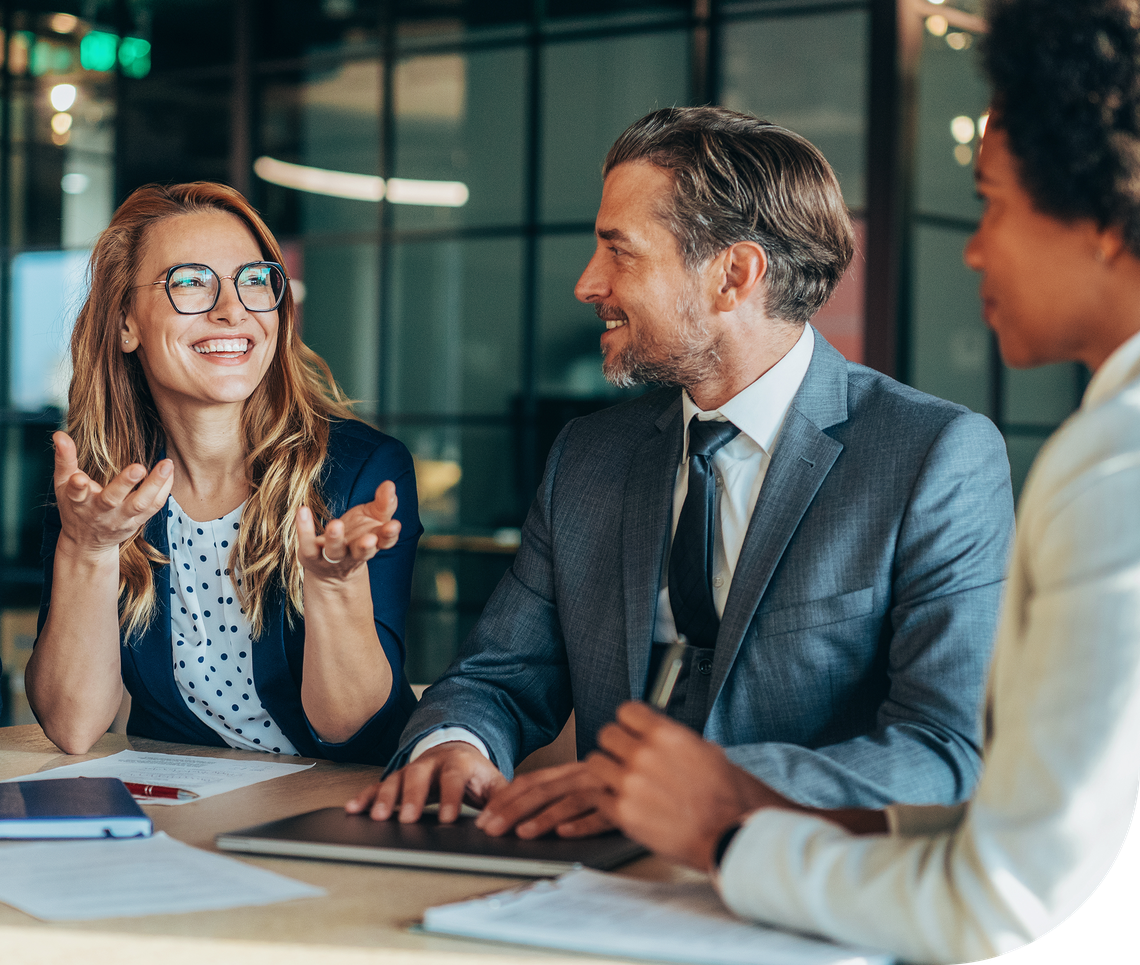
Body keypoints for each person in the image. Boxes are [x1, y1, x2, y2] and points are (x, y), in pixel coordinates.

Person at [584, 1, 1140, 960]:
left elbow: (1007, 886)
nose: (973, 246)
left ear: (1101, 216)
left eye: (993, 201)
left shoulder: (1105, 465)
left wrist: (724, 826)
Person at [349, 107, 1014, 833]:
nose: (587, 283)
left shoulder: (935, 455)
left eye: (620, 251)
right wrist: (456, 742)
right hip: (590, 888)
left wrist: (707, 791)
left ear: (733, 275)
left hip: (806, 891)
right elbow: (497, 676)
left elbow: (947, 746)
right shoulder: (587, 456)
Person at [25, 182, 421, 765]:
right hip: (181, 816)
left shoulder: (359, 470)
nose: (232, 309)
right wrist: (88, 549)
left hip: (332, 813)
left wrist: (334, 588)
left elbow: (354, 733)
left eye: (254, 280)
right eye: (189, 281)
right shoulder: (96, 488)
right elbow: (74, 724)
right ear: (125, 322)